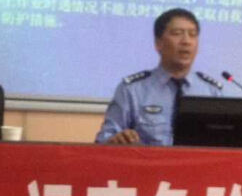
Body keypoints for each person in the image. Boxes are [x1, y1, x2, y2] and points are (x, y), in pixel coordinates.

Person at [95, 8, 223, 146]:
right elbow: (104, 140)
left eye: (192, 35)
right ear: (158, 43)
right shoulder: (132, 90)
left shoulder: (212, 91)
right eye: (177, 33)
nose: (186, 41)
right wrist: (116, 139)